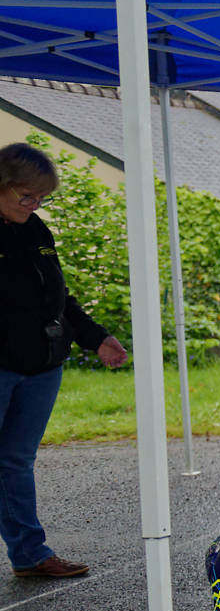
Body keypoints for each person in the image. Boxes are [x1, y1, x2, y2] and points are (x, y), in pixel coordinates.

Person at [0, 142, 128, 579]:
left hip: (41, 368)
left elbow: (58, 299)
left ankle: (30, 555)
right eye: (26, 196)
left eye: (41, 198)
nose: (34, 205)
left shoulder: (36, 230)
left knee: (16, 462)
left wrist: (97, 338)